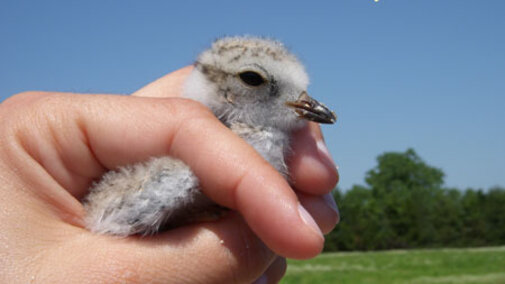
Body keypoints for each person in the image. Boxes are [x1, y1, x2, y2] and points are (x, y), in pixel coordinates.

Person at [0, 66, 339, 283]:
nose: (301, 101)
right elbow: (110, 221)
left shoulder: (261, 144)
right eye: (255, 80)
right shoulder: (183, 158)